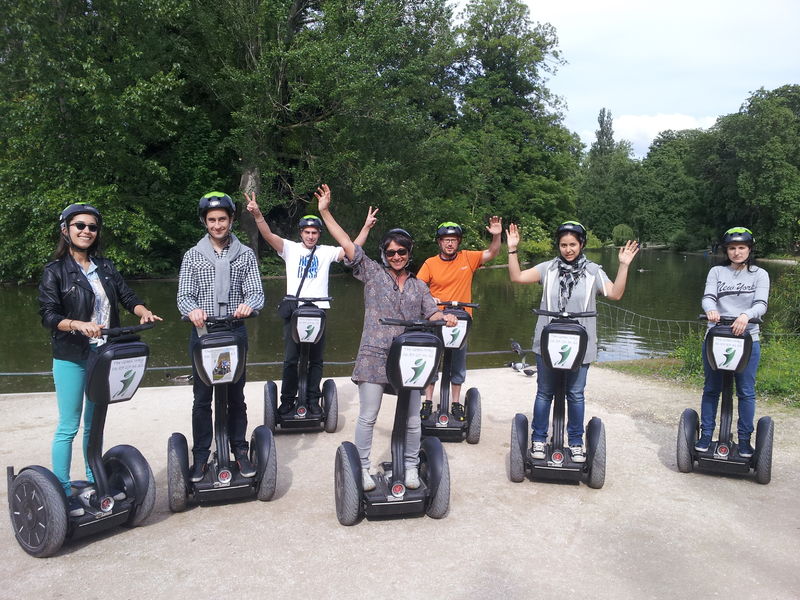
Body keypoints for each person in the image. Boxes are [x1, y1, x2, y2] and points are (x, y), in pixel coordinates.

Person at [315, 184, 456, 491]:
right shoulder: (372, 274)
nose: (396, 256)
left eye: (401, 251)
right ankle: (363, 468)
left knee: (413, 420)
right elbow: (347, 245)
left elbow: (431, 312)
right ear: (384, 253)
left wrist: (443, 317)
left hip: (408, 358)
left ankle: (408, 467)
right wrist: (325, 211)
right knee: (368, 415)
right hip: (374, 355)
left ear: (409, 253)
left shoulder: (419, 286)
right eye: (390, 251)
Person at [38, 203, 162, 517]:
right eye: (79, 225)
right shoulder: (55, 271)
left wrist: (142, 310)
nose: (86, 231)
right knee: (69, 425)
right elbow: (49, 315)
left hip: (104, 353)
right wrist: (77, 324)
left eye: (92, 227)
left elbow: (127, 296)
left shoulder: (104, 267)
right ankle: (63, 491)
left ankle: (95, 479)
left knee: (95, 424)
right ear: (66, 229)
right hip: (71, 355)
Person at [507, 221, 639, 462]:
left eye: (573, 244)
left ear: (582, 244)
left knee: (575, 394)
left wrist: (623, 266)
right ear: (558, 246)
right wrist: (513, 249)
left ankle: (576, 442)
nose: (568, 249)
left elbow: (616, 293)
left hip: (581, 344)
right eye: (563, 245)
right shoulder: (548, 269)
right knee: (545, 392)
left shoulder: (593, 271)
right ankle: (538, 439)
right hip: (548, 341)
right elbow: (517, 277)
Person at [245, 191, 377, 416]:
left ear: (319, 234)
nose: (311, 236)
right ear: (301, 233)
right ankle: (287, 400)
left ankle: (313, 399)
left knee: (315, 359)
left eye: (314, 232)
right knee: (291, 359)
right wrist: (258, 214)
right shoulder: (290, 248)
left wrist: (366, 227)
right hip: (294, 309)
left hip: (318, 310)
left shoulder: (326, 252)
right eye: (307, 232)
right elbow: (267, 235)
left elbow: (352, 250)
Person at [177, 192, 265, 482]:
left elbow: (256, 293)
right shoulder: (192, 256)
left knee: (236, 396)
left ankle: (240, 449)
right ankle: (201, 453)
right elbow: (184, 296)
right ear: (205, 222)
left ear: (231, 220)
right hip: (204, 334)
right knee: (202, 398)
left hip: (233, 330)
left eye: (222, 219)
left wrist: (248, 305)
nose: (217, 225)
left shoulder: (246, 255)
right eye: (212, 220)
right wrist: (193, 311)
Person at [416, 217, 502, 420]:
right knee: (433, 360)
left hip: (461, 322)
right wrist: (429, 297)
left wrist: (497, 235)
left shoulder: (467, 258)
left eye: (454, 239)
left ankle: (456, 403)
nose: (449, 243)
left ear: (459, 242)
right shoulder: (430, 263)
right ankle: (427, 402)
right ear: (439, 242)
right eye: (446, 239)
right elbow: (418, 288)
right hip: (436, 319)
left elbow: (492, 253)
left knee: (458, 363)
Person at [695, 227, 769, 457]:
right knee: (711, 389)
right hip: (717, 336)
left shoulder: (760, 274)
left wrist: (746, 316)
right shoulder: (717, 272)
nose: (736, 252)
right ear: (726, 250)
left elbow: (761, 304)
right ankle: (706, 435)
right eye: (732, 248)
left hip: (748, 339)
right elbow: (708, 297)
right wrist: (711, 310)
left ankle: (745, 440)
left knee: (746, 391)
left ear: (749, 249)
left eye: (741, 248)